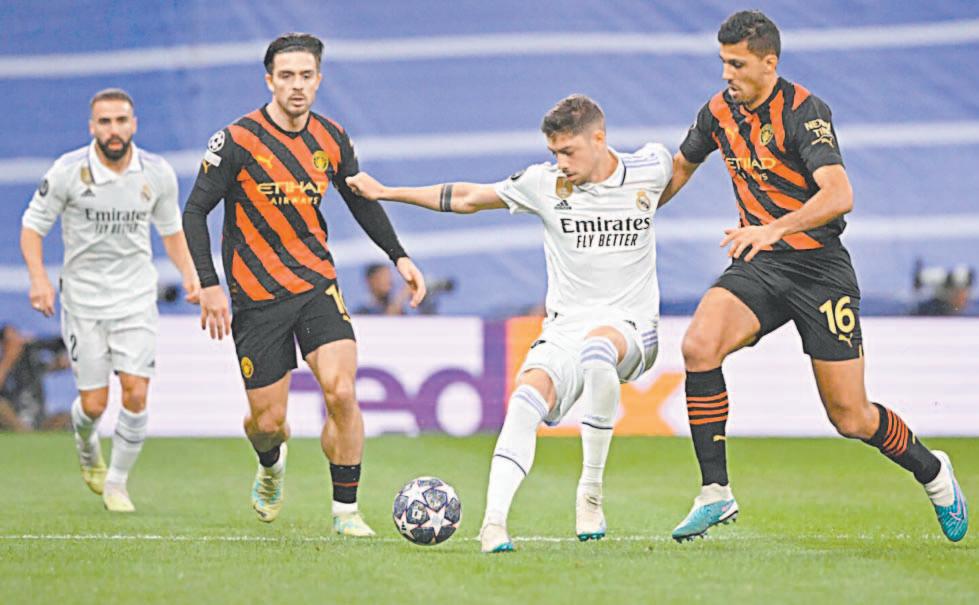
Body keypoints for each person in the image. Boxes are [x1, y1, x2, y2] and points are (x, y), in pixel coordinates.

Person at [659, 10, 968, 542]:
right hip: (761, 263)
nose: (727, 74)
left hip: (820, 270)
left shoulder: (805, 111)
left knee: (850, 417)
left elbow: (839, 194)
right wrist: (633, 212)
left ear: (769, 63)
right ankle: (715, 492)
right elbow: (680, 167)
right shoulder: (717, 112)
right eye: (723, 63)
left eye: (737, 64)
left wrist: (776, 227)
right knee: (699, 346)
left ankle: (933, 471)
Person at [347, 94, 672, 552]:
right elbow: (467, 198)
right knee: (524, 400)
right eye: (553, 152)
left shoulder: (650, 166)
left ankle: (590, 492)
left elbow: (686, 162)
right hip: (565, 328)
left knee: (599, 350)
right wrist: (386, 192)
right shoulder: (544, 183)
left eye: (568, 151)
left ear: (599, 139)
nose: (560, 163)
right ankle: (493, 524)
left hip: (632, 325)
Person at [182, 33, 426, 536]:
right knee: (267, 423)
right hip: (256, 296)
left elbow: (360, 200)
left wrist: (398, 255)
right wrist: (208, 284)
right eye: (287, 75)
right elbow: (195, 211)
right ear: (269, 80)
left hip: (316, 284)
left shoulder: (332, 138)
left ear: (319, 80)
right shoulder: (238, 140)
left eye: (306, 75)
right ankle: (271, 464)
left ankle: (346, 512)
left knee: (342, 391)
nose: (297, 85)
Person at [20, 88, 201, 512]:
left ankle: (117, 483)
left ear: (134, 124)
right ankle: (87, 445)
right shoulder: (68, 172)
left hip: (135, 298)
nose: (114, 129)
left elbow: (171, 231)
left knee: (136, 392)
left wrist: (192, 276)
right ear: (92, 127)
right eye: (105, 122)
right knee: (94, 404)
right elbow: (32, 227)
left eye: (121, 120)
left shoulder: (156, 173)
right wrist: (38, 279)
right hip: (83, 301)